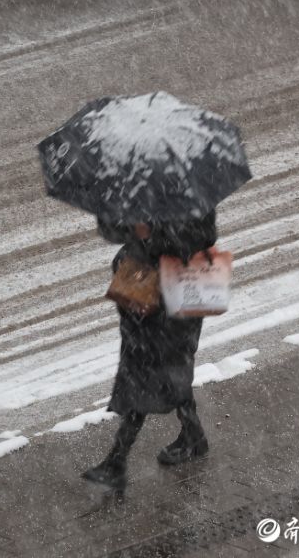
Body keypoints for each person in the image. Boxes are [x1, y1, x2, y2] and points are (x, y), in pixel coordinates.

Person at [82, 211, 218, 496]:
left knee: (150, 374)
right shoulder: (151, 190)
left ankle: (117, 462)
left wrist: (152, 235)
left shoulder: (187, 197)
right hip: (153, 294)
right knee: (166, 372)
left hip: (176, 295)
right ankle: (193, 436)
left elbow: (199, 239)